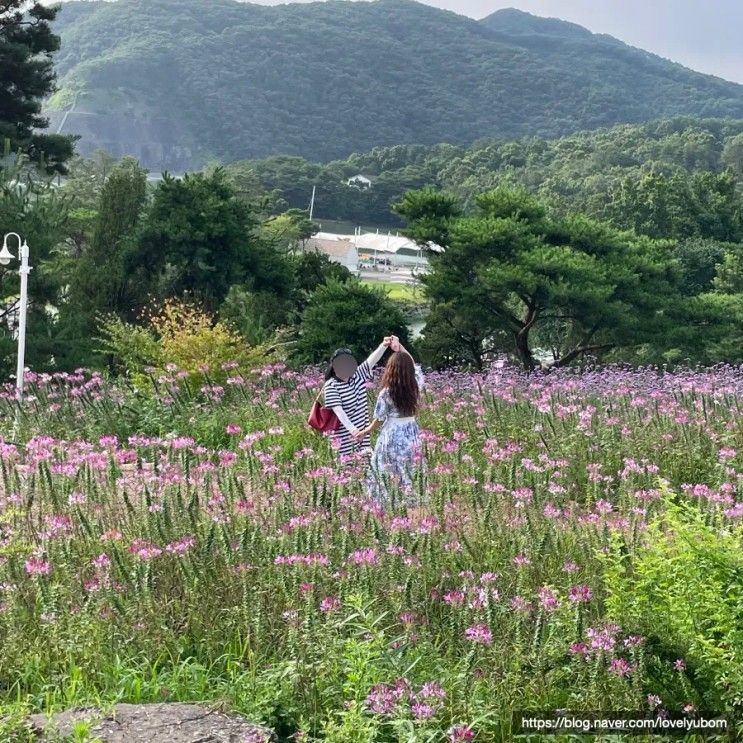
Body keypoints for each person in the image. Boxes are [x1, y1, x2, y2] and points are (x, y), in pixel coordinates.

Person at [353, 337, 424, 507]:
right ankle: (412, 504)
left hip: (391, 434)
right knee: (410, 470)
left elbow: (379, 419)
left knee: (386, 470)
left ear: (390, 370)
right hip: (411, 432)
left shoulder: (386, 393)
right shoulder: (415, 386)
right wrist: (400, 347)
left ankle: (388, 505)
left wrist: (365, 431)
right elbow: (414, 366)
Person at [323, 338, 392, 461]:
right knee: (348, 469)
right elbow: (340, 413)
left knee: (367, 466)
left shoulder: (357, 375)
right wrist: (354, 431)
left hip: (363, 435)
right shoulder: (331, 386)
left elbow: (372, 360)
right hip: (344, 437)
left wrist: (384, 345)